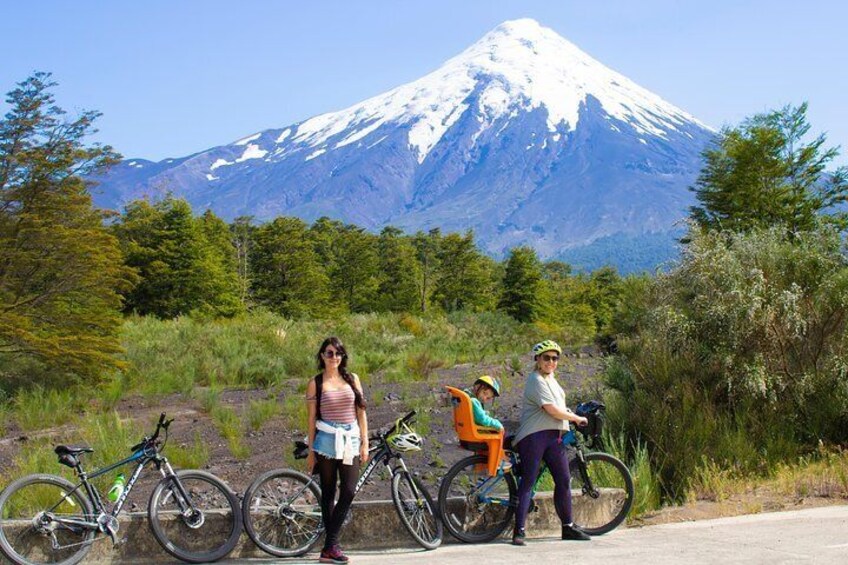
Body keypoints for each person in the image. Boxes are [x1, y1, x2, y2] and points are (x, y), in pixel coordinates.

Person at [512, 340, 590, 545]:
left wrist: (573, 414)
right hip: (534, 436)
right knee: (528, 481)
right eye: (546, 357)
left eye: (555, 358)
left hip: (554, 437)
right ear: (537, 359)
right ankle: (518, 530)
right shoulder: (535, 380)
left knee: (563, 480)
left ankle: (568, 527)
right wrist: (576, 419)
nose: (551, 361)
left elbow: (560, 407)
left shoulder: (552, 380)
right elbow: (552, 410)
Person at [305, 337, 368, 564]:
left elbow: (361, 412)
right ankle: (331, 548)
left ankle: (329, 544)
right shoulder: (316, 382)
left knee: (349, 490)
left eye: (338, 353)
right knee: (329, 493)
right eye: (330, 353)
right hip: (326, 442)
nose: (335, 357)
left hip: (350, 439)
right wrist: (311, 451)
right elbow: (311, 418)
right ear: (322, 356)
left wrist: (365, 442)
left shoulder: (352, 379)